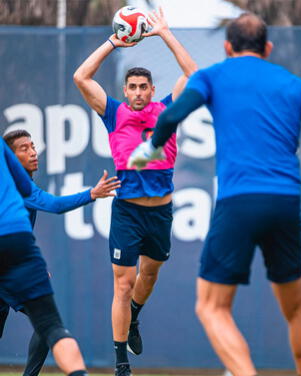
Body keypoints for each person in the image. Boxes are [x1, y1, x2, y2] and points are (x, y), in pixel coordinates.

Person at [128, 13, 301, 376]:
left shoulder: (214, 76)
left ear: (227, 47)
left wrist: (152, 148)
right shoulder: (295, 84)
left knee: (212, 307)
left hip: (239, 201)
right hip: (285, 204)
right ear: (268, 48)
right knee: (296, 309)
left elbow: (170, 118)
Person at [72, 8, 197, 376]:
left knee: (150, 275)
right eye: (133, 88)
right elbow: (81, 76)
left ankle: (135, 319)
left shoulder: (168, 111)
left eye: (144, 87)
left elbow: (194, 75)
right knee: (123, 284)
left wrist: (164, 33)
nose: (139, 93)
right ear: (125, 91)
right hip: (127, 211)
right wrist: (116, 39)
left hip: (161, 212)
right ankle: (121, 362)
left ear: (152, 90)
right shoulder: (112, 113)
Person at [0, 129, 119, 376]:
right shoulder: (16, 185)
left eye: (33, 146)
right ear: (9, 158)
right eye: (24, 149)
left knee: (46, 327)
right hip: (11, 259)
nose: (33, 152)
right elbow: (52, 204)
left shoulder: (23, 184)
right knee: (49, 326)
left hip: (13, 258)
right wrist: (91, 194)